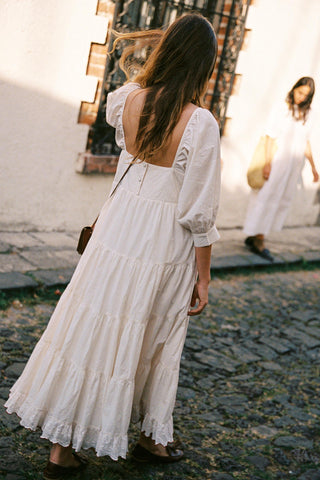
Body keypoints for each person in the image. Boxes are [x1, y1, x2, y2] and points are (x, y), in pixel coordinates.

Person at [5, 13, 221, 478]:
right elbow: (198, 212)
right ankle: (150, 439)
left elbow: (132, 164)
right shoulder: (200, 123)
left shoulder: (128, 99)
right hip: (164, 242)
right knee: (155, 337)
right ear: (203, 64)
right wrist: (203, 276)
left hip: (116, 231)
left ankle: (60, 453)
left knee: (88, 328)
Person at [243, 76, 319, 261]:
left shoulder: (306, 114)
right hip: (277, 161)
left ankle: (256, 235)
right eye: (300, 92)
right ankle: (258, 238)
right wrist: (267, 163)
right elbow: (269, 136)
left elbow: (305, 142)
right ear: (295, 88)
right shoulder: (282, 108)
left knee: (279, 199)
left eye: (305, 95)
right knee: (264, 197)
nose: (301, 97)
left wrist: (313, 167)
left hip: (292, 167)